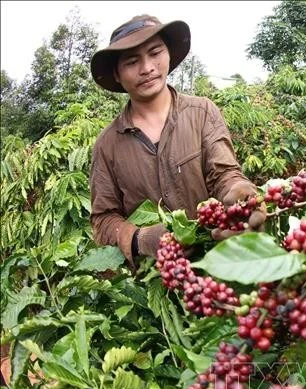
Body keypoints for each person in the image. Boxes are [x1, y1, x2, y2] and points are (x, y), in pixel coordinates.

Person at [89, 14, 265, 268]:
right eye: (132, 61)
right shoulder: (107, 145)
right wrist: (141, 239)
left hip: (218, 264)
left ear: (168, 54)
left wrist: (237, 193)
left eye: (155, 53)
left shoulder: (202, 112)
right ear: (117, 74)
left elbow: (224, 174)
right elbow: (103, 219)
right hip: (155, 280)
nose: (147, 67)